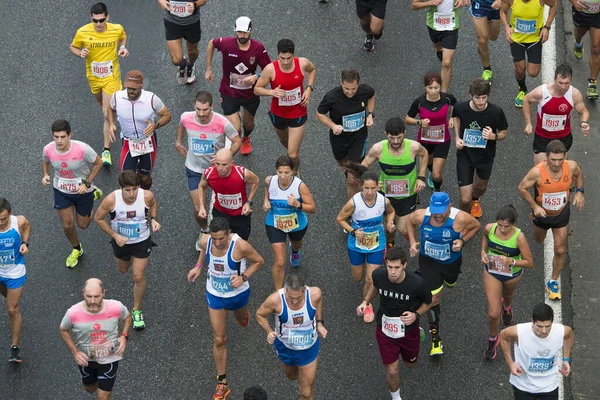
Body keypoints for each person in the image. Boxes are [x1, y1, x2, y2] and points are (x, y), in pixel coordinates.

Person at [187, 217, 264, 400]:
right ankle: (222, 383)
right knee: (219, 339)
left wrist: (243, 277)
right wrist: (198, 267)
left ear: (229, 234)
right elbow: (204, 252)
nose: (217, 242)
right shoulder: (207, 241)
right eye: (215, 238)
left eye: (221, 238)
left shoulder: (241, 246)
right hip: (215, 295)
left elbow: (259, 261)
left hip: (238, 295)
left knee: (241, 320)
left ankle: (244, 316)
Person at [407, 192, 480, 355]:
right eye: (434, 211)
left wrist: (463, 241)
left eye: (441, 211)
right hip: (428, 262)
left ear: (450, 206)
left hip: (451, 264)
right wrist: (412, 242)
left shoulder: (460, 219)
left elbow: (476, 226)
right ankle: (436, 339)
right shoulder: (421, 216)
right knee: (433, 299)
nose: (437, 216)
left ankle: (443, 283)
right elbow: (409, 222)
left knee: (450, 284)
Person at [356, 247, 432, 400]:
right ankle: (396, 397)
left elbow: (429, 302)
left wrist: (416, 315)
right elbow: (375, 287)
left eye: (396, 268)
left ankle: (419, 331)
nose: (392, 272)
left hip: (409, 329)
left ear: (404, 265)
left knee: (410, 364)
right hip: (385, 329)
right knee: (392, 370)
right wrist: (366, 302)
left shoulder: (417, 283)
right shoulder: (379, 275)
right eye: (389, 267)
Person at [517, 140, 584, 300]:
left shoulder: (571, 166)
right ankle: (534, 219)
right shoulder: (537, 172)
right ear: (546, 158)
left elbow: (579, 174)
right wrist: (534, 206)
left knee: (560, 249)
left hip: (561, 214)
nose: (557, 163)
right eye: (553, 159)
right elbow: (522, 188)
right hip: (542, 215)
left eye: (560, 159)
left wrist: (580, 191)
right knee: (538, 240)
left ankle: (553, 281)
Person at [94, 171, 161, 331]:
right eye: (127, 190)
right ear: (121, 188)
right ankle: (132, 260)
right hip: (121, 242)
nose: (131, 194)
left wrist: (153, 219)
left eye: (134, 189)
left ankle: (136, 310)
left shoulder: (146, 196)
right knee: (123, 270)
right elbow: (98, 218)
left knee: (138, 276)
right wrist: (114, 235)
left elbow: (153, 204)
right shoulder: (111, 200)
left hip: (141, 240)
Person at [175, 91, 241, 250]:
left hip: (218, 171)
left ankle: (228, 232)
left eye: (205, 110)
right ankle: (204, 230)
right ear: (194, 106)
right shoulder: (186, 117)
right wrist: (178, 142)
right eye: (198, 109)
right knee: (198, 209)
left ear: (212, 106)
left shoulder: (222, 122)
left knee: (227, 205)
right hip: (195, 169)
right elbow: (181, 125)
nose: (201, 113)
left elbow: (237, 141)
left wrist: (225, 157)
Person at [70, 2, 129, 166]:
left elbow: (123, 37)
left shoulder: (116, 29)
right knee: (104, 106)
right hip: (94, 77)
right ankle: (113, 117)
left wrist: (123, 47)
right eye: (95, 20)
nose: (98, 24)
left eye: (101, 20)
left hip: (111, 76)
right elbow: (73, 47)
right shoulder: (83, 31)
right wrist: (79, 53)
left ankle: (106, 151)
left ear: (107, 17)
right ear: (91, 18)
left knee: (106, 112)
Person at [336, 169, 396, 323]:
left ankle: (367, 304)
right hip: (357, 245)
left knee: (370, 279)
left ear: (378, 187)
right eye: (366, 188)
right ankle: (365, 289)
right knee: (357, 277)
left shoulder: (383, 201)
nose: (369, 192)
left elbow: (391, 211)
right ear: (362, 187)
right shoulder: (354, 202)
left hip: (377, 243)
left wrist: (390, 222)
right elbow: (340, 219)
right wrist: (353, 231)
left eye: (372, 188)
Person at [42, 120, 103, 268]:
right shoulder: (48, 149)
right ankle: (77, 249)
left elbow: (99, 163)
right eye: (56, 137)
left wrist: (87, 183)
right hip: (61, 190)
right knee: (68, 226)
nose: (59, 141)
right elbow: (45, 160)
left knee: (83, 225)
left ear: (70, 135)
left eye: (63, 137)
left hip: (83, 190)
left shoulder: (82, 149)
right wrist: (45, 174)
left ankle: (93, 194)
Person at [205, 16, 271, 155]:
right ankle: (236, 141)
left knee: (248, 124)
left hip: (250, 94)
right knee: (234, 127)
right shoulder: (226, 43)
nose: (242, 36)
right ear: (235, 31)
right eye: (239, 32)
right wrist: (209, 68)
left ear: (251, 31)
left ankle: (246, 137)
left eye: (245, 33)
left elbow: (269, 68)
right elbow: (211, 43)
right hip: (229, 92)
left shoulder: (258, 48)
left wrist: (256, 76)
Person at [256, 273, 327, 400]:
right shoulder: (275, 300)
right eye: (291, 297)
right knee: (292, 376)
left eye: (298, 298)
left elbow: (319, 300)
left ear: (304, 290)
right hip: (285, 347)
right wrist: (268, 331)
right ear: (285, 290)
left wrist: (320, 323)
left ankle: (305, 385)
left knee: (306, 392)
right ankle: (303, 378)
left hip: (308, 348)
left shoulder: (314, 294)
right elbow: (260, 314)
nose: (294, 301)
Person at [59, 278, 132, 400]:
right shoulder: (73, 313)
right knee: (90, 389)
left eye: (97, 296)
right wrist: (75, 352)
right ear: (83, 293)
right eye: (89, 296)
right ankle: (100, 384)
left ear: (104, 293)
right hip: (87, 360)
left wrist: (124, 336)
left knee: (103, 396)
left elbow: (127, 317)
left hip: (110, 358)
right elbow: (63, 329)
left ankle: (104, 389)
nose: (92, 301)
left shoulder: (116, 307)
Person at [254, 39, 317, 174]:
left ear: (293, 55)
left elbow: (312, 70)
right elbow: (257, 89)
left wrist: (309, 89)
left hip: (298, 111)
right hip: (278, 113)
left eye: (289, 58)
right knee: (283, 138)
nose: (286, 62)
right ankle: (292, 147)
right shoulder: (270, 69)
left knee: (292, 154)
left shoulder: (302, 63)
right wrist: (271, 92)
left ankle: (295, 172)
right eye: (282, 58)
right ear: (278, 55)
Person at [362, 118, 428, 244]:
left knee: (403, 229)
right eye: (392, 138)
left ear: (404, 133)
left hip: (408, 195)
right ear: (386, 134)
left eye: (399, 137)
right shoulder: (378, 148)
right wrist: (373, 183)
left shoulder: (414, 147)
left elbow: (425, 154)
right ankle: (390, 245)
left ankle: (412, 238)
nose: (396, 141)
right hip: (386, 195)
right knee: (389, 228)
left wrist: (421, 177)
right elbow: (363, 166)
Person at [480, 205, 533, 360]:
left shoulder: (519, 237)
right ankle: (493, 338)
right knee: (493, 312)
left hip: (512, 274)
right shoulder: (490, 228)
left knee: (508, 295)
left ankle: (507, 307)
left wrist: (512, 261)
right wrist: (483, 251)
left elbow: (529, 262)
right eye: (500, 225)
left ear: (513, 224)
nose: (502, 229)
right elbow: (484, 238)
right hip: (492, 272)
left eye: (506, 226)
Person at [316, 68, 376, 199]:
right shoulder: (332, 97)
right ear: (340, 83)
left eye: (353, 89)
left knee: (352, 180)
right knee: (343, 164)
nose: (350, 92)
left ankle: (352, 211)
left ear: (358, 84)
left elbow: (371, 96)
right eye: (346, 88)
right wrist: (332, 125)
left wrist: (371, 114)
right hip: (339, 138)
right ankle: (349, 172)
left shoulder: (365, 91)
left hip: (358, 138)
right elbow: (320, 113)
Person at [453, 78, 508, 218]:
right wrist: (457, 138)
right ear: (471, 95)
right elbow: (456, 118)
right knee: (465, 198)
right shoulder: (460, 107)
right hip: (465, 155)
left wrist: (493, 136)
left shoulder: (496, 112)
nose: (481, 102)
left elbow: (503, 133)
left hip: (486, 156)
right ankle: (464, 220)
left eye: (484, 98)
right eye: (477, 98)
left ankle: (476, 198)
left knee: (481, 187)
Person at [108, 70, 172, 190]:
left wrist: (155, 125)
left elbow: (167, 115)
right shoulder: (117, 97)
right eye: (128, 88)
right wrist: (111, 123)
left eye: (134, 89)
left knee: (144, 178)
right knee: (126, 179)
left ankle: (144, 197)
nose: (131, 92)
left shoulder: (151, 99)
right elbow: (110, 109)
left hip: (147, 141)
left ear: (141, 85)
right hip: (128, 142)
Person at [500, 303, 574, 400]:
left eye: (548, 326)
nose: (544, 331)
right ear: (532, 322)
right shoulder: (520, 332)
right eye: (539, 326)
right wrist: (510, 363)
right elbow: (503, 336)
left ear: (552, 322)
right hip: (523, 386)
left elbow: (569, 335)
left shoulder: (560, 331)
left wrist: (566, 359)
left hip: (549, 386)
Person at [264, 156, 316, 289]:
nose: (282, 176)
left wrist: (297, 204)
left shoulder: (300, 186)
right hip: (274, 223)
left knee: (297, 243)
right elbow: (267, 188)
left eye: (286, 172)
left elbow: (312, 208)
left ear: (293, 171)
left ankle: (295, 251)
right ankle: (278, 293)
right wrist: (266, 200)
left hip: (297, 224)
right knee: (280, 262)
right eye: (280, 172)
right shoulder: (270, 181)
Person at [522, 64, 591, 164]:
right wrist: (528, 123)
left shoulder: (574, 94)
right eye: (560, 83)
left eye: (567, 83)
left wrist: (583, 122)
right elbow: (526, 100)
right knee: (542, 171)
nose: (563, 87)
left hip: (563, 137)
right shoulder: (542, 92)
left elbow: (583, 111)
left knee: (558, 169)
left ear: (571, 79)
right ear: (554, 79)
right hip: (543, 137)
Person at [499, 0, 558, 107]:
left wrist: (547, 27)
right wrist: (506, 26)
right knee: (520, 70)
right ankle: (522, 90)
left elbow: (554, 5)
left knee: (533, 73)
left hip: (534, 40)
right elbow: (503, 11)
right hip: (517, 40)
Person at [405, 71, 457, 191]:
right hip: (425, 139)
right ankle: (431, 172)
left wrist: (452, 118)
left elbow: (455, 104)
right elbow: (407, 119)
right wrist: (419, 122)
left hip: (442, 139)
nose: (433, 91)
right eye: (430, 88)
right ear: (425, 87)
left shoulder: (447, 98)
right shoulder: (419, 102)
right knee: (429, 164)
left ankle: (437, 190)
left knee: (436, 175)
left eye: (436, 88)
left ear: (440, 86)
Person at [198, 149, 260, 243]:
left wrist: (248, 202)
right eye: (217, 164)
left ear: (232, 163)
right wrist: (202, 207)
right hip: (220, 212)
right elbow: (201, 186)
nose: (220, 168)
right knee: (219, 241)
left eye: (224, 164)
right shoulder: (208, 173)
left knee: (241, 243)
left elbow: (256, 181)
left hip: (240, 215)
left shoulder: (242, 173)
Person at [412, 0, 468, 93]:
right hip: (434, 25)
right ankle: (439, 50)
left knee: (446, 62)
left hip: (451, 27)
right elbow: (414, 5)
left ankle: (443, 94)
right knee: (437, 45)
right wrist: (430, 3)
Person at [0, 198, 30, 363]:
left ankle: (14, 348)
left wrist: (25, 243)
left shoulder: (18, 221)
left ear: (9, 214)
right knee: (6, 297)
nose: (0, 222)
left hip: (14, 271)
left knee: (12, 309)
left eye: (3, 219)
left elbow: (27, 226)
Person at [157, 0, 207, 84]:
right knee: (176, 60)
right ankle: (182, 65)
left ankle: (191, 65)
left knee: (192, 52)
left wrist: (195, 4)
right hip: (172, 22)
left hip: (192, 23)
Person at [570, 0, 600, 99]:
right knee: (579, 34)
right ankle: (578, 42)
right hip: (581, 13)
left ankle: (592, 84)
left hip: (597, 15)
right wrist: (573, 2)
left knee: (596, 49)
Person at [470, 0, 502, 82]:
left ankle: (482, 48)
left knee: (493, 36)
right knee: (482, 40)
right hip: (479, 4)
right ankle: (487, 69)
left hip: (496, 4)